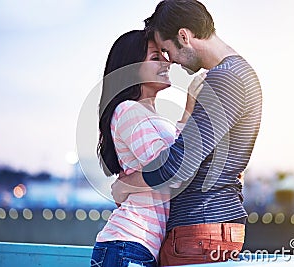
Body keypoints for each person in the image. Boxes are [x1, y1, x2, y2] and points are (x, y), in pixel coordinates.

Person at [111, 0, 263, 266]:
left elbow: (177, 166)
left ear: (184, 36)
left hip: (199, 229)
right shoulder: (242, 74)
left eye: (168, 51)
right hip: (218, 226)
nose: (172, 62)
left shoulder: (224, 79)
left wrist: (124, 185)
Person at [91, 29, 206, 267]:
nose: (167, 61)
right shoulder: (128, 110)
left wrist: (126, 186)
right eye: (156, 57)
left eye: (164, 54)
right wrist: (189, 108)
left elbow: (177, 158)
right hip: (127, 243)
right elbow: (171, 170)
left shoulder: (151, 117)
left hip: (138, 247)